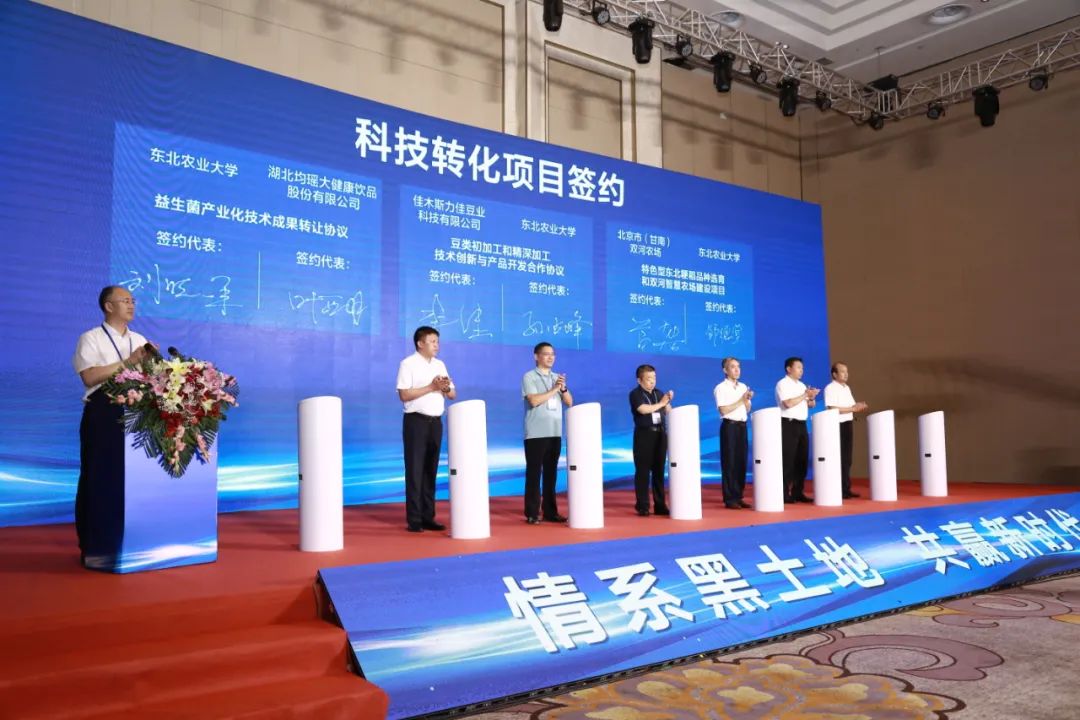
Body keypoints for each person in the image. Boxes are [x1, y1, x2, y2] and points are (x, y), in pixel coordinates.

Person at [72, 285, 156, 565]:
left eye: (133, 300)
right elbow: (89, 377)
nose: (132, 305)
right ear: (108, 306)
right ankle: (94, 545)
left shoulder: (139, 339)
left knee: (131, 479)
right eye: (125, 300)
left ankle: (131, 540)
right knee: (99, 476)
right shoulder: (91, 338)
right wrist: (128, 362)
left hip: (137, 414)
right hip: (103, 413)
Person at [396, 326, 456, 533]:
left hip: (435, 422)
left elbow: (452, 394)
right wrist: (431, 387)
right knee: (415, 470)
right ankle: (414, 519)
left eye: (437, 341)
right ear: (420, 343)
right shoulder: (408, 364)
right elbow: (404, 395)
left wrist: (445, 387)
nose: (436, 345)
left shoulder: (440, 364)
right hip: (416, 422)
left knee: (431, 470)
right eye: (432, 341)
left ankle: (428, 516)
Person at [521, 342, 573, 524]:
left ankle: (550, 511)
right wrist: (554, 390)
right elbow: (534, 401)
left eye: (553, 354)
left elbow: (569, 402)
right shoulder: (529, 376)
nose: (550, 357)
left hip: (555, 432)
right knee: (534, 474)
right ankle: (532, 512)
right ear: (536, 356)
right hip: (536, 433)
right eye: (546, 354)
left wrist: (563, 388)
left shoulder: (557, 378)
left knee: (551, 474)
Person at [629, 364, 673, 516]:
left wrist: (667, 402)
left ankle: (660, 505)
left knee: (659, 471)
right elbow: (642, 409)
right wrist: (661, 403)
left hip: (660, 434)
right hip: (644, 435)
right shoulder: (635, 394)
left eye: (654, 377)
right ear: (639, 380)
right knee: (643, 471)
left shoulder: (659, 393)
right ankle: (643, 505)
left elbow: (668, 411)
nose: (652, 381)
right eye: (648, 378)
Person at [775, 356, 819, 504]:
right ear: (789, 369)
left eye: (802, 368)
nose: (801, 370)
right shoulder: (782, 384)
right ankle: (783, 493)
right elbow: (787, 403)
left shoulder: (802, 385)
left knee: (802, 459)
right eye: (798, 367)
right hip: (788, 424)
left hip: (802, 424)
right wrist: (805, 394)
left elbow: (810, 405)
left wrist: (811, 397)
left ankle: (798, 492)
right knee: (788, 460)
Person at [824, 362, 869, 499]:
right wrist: (852, 409)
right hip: (837, 424)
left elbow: (851, 405)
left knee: (847, 459)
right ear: (834, 374)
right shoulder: (830, 388)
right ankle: (838, 489)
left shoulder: (846, 388)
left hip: (848, 423)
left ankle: (846, 488)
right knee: (838, 458)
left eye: (846, 371)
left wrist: (859, 406)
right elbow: (832, 408)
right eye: (842, 371)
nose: (846, 374)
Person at [713, 357, 753, 509]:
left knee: (741, 462)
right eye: (733, 367)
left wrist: (747, 400)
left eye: (738, 366)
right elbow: (723, 410)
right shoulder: (720, 388)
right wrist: (741, 400)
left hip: (742, 426)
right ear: (725, 370)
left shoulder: (743, 386)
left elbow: (747, 409)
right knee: (730, 462)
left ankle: (738, 496)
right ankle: (730, 498)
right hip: (729, 427)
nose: (737, 370)